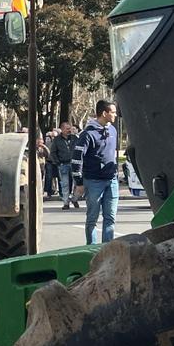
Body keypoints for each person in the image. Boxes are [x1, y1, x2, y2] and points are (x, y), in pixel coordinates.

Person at [72, 100, 119, 244]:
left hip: (112, 180)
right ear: (104, 113)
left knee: (110, 218)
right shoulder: (87, 134)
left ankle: (107, 250)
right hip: (93, 182)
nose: (116, 115)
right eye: (113, 112)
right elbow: (76, 159)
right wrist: (79, 182)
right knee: (92, 218)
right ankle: (91, 250)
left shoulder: (112, 130)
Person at [48, 121, 78, 209]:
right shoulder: (57, 140)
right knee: (64, 184)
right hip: (63, 164)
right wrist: (58, 163)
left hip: (74, 164)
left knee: (77, 183)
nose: (69, 130)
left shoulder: (75, 138)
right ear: (62, 129)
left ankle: (74, 199)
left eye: (70, 128)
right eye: (67, 129)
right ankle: (66, 202)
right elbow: (53, 152)